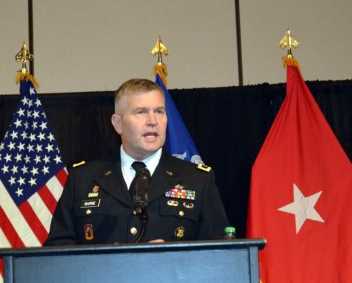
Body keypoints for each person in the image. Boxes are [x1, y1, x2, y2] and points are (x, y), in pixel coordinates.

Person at [45, 78, 230, 245]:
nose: (152, 121)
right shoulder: (83, 180)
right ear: (117, 124)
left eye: (159, 111)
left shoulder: (197, 180)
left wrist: (174, 258)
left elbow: (221, 255)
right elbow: (57, 252)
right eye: (141, 112)